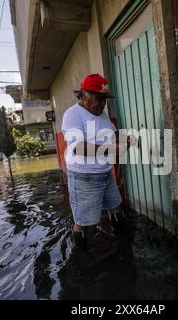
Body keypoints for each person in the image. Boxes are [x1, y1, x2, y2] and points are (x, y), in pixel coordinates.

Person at [62, 74, 135, 259]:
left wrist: (127, 139)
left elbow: (113, 136)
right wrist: (111, 148)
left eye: (104, 99)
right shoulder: (73, 114)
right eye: (98, 98)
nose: (102, 103)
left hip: (105, 174)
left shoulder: (102, 115)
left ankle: (123, 245)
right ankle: (81, 258)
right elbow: (78, 148)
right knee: (84, 221)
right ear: (84, 94)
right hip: (84, 177)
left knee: (116, 206)